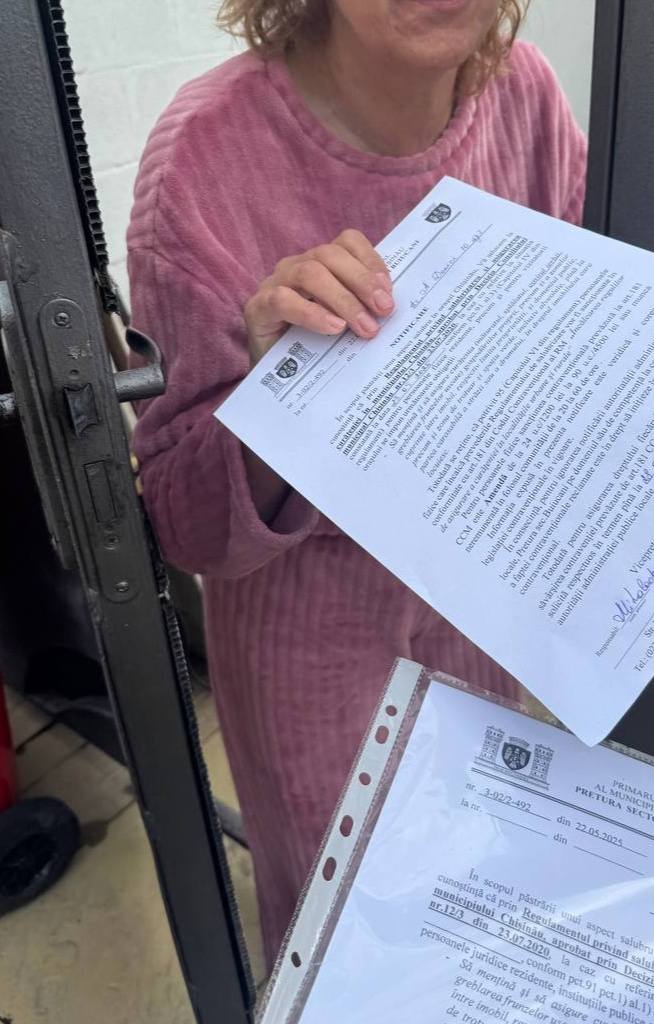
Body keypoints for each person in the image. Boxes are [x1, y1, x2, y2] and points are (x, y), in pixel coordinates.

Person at [128, 0, 586, 962]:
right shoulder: (203, 157)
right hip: (307, 637)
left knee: (474, 899)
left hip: (476, 601)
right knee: (349, 947)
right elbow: (182, 521)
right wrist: (276, 395)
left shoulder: (526, 97)